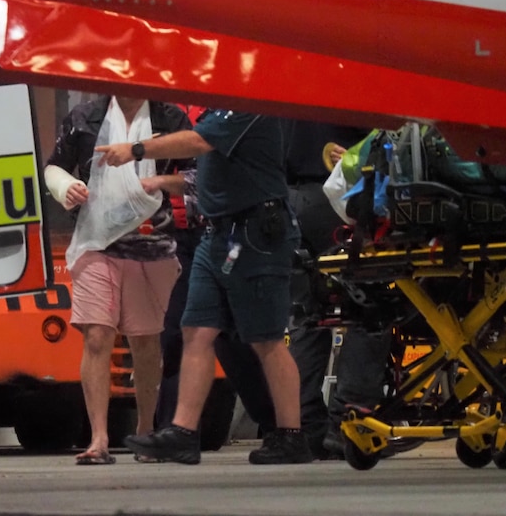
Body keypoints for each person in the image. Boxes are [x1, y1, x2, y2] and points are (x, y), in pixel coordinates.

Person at [98, 109, 312, 465]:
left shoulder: (244, 105)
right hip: (219, 235)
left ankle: (292, 435)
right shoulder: (219, 111)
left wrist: (135, 150)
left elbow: (198, 143)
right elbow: (211, 173)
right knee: (196, 330)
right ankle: (183, 432)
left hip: (254, 234)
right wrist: (163, 183)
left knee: (266, 339)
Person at [44, 95, 192, 465]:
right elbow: (53, 168)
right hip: (97, 240)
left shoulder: (169, 116)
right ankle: (99, 439)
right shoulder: (84, 117)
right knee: (97, 335)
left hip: (152, 246)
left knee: (144, 341)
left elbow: (196, 177)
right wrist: (66, 188)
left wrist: (159, 180)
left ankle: (144, 432)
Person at [156, 109, 276, 441]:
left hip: (238, 234)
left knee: (252, 338)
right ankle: (176, 430)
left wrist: (139, 152)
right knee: (186, 332)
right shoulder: (186, 110)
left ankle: (283, 425)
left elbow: (201, 150)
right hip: (196, 238)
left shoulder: (234, 110)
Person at [284, 121, 393, 459]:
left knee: (306, 318)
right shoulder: (357, 76)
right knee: (368, 310)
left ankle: (303, 428)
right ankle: (349, 419)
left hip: (290, 202)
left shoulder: (288, 78)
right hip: (340, 199)